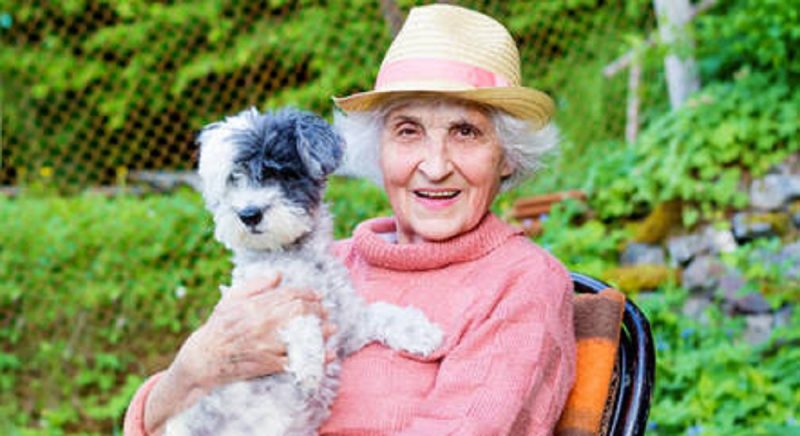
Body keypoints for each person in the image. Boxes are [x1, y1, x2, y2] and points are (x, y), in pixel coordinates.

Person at [124, 4, 576, 435]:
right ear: (376, 149)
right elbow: (163, 422)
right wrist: (192, 368)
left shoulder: (521, 284)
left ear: (507, 158)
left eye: (465, 132)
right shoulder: (317, 264)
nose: (435, 165)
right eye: (407, 131)